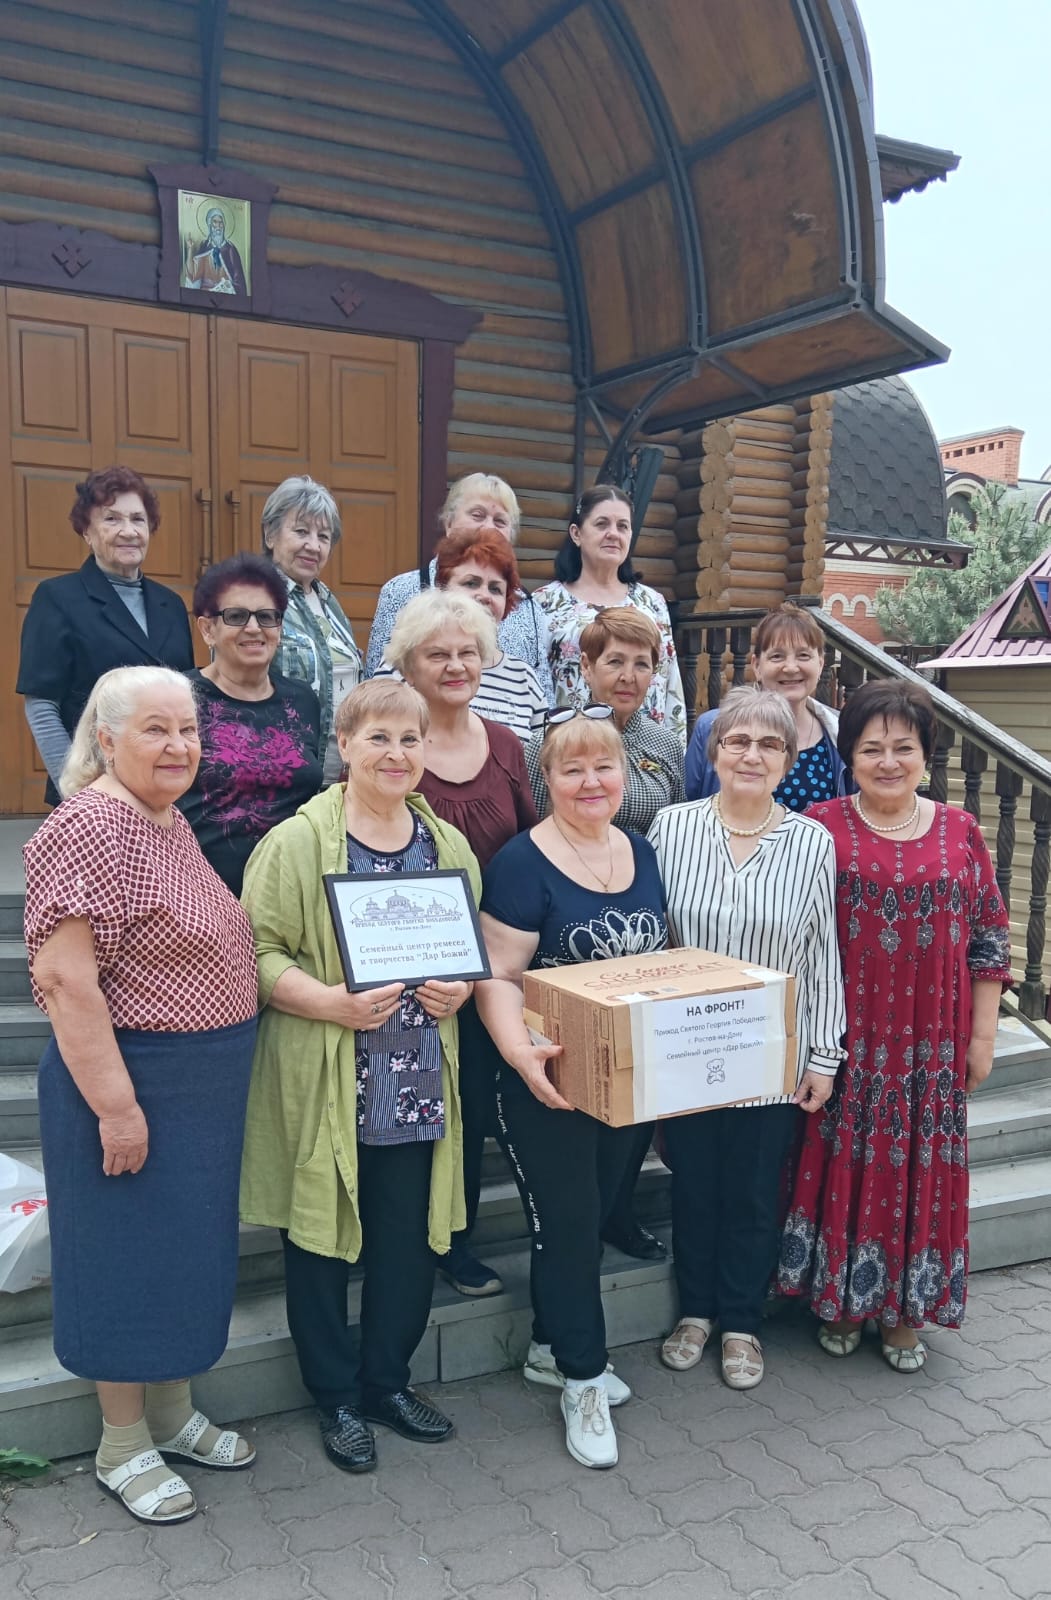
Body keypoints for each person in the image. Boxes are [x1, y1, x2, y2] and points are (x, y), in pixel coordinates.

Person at [23, 667, 258, 1527]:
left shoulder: (163, 817)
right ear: (106, 738)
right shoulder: (91, 824)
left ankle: (172, 1413)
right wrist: (116, 1107)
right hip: (129, 1085)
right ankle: (121, 1443)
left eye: (188, 730)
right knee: (122, 1261)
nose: (178, 746)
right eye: (156, 729)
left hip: (196, 1091)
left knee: (185, 1256)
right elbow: (65, 978)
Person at [239, 679, 480, 1473]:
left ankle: (386, 1384)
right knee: (318, 1245)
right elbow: (257, 951)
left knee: (406, 1244)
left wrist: (461, 988)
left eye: (410, 739)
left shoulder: (444, 844)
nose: (395, 754)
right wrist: (326, 1003)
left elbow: (467, 949)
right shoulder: (296, 843)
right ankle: (335, 1398)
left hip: (416, 1083)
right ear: (342, 745)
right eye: (377, 737)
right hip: (330, 1083)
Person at [777, 679, 1011, 1371]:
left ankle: (905, 1311)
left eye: (902, 747)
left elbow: (989, 940)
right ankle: (842, 1302)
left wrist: (981, 1039)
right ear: (848, 755)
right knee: (842, 1163)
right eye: (871, 748)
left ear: (925, 754)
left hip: (932, 1046)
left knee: (919, 1172)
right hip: (845, 1041)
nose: (887, 762)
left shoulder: (960, 831)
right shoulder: (817, 826)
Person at [476, 709, 669, 1469]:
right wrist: (520, 1055)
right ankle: (583, 1380)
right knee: (569, 1226)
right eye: (571, 768)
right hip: (546, 1083)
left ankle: (547, 1348)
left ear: (625, 774)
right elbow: (497, 975)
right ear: (545, 779)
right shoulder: (521, 864)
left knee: (595, 1214)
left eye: (604, 766)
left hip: (622, 1082)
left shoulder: (641, 851)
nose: (591, 782)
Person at [648, 688, 845, 1391]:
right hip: (685, 1052)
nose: (751, 755)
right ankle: (694, 1313)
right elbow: (653, 941)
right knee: (695, 1187)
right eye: (738, 741)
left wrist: (823, 1056)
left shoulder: (811, 842)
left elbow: (820, 953)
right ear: (714, 751)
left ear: (787, 759)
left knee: (756, 1194)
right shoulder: (671, 829)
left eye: (769, 744)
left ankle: (739, 1321)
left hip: (769, 1056)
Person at [386, 591, 537, 1298]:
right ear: (408, 665)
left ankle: (457, 1239)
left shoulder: (505, 746)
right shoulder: (394, 747)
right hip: (408, 968)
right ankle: (398, 1242)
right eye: (437, 654)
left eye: (467, 653)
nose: (455, 666)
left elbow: (532, 844)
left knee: (474, 1107)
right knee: (413, 1111)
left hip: (495, 968)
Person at [524, 605, 683, 1263]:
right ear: (585, 667)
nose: (628, 675)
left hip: (639, 920)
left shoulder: (665, 745)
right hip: (570, 920)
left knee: (638, 1087)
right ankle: (576, 1218)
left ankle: (619, 1211)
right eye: (614, 661)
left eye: (642, 664)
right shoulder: (550, 740)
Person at [16, 466, 195, 807]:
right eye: (112, 519)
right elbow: (42, 705)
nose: (128, 531)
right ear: (87, 531)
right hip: (94, 790)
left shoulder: (171, 604)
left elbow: (184, 697)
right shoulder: (57, 598)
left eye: (138, 519)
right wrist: (76, 791)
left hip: (164, 789)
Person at [177, 553, 322, 894]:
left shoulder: (303, 700)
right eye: (236, 616)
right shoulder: (177, 698)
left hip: (291, 892)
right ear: (207, 629)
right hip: (200, 893)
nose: (254, 628)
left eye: (266, 616)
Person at [365, 472, 554, 701]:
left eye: (500, 521)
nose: (488, 527)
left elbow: (543, 695)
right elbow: (377, 685)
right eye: (477, 515)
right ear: (449, 523)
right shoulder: (402, 590)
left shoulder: (528, 607)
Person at [532, 485, 686, 747]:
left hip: (645, 751)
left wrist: (675, 749)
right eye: (602, 524)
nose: (613, 533)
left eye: (622, 526)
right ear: (576, 533)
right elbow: (537, 687)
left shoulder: (652, 603)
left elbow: (670, 683)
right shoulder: (544, 603)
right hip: (574, 749)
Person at [686, 603, 849, 807]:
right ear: (757, 666)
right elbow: (689, 805)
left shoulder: (839, 732)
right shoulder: (711, 727)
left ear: (821, 663)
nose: (791, 668)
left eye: (803, 655)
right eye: (777, 656)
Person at [261, 475, 362, 784]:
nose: (313, 546)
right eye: (301, 531)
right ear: (270, 535)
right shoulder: (256, 597)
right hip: (285, 775)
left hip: (340, 777)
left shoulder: (328, 602)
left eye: (324, 536)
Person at [434, 526, 549, 740]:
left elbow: (544, 755)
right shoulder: (407, 663)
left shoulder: (524, 678)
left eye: (495, 589)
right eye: (471, 583)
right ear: (442, 589)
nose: (484, 596)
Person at [182, 206, 246, 294]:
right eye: (215, 222)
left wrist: (228, 287)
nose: (218, 226)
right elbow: (193, 275)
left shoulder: (230, 249)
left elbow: (239, 281)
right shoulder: (205, 246)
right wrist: (190, 249)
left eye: (221, 222)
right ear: (209, 225)